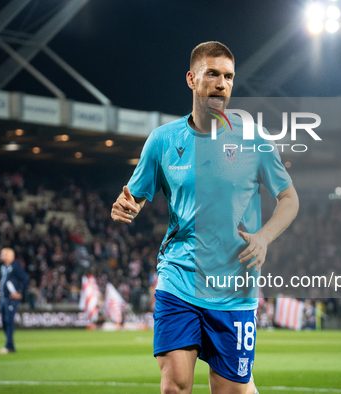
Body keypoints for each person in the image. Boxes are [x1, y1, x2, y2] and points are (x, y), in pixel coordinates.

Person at [111, 41, 299, 394]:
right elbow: (131, 198)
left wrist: (264, 237)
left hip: (234, 288)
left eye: (228, 76)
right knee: (175, 386)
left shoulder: (254, 140)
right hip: (179, 278)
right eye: (212, 74)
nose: (221, 83)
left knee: (230, 390)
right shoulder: (163, 140)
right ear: (191, 79)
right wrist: (124, 207)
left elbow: (289, 198)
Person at [0, 247, 29, 355]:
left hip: (11, 299)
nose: (2, 256)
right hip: (3, 298)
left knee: (9, 321)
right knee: (5, 322)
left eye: (4, 254)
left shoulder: (15, 266)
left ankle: (8, 346)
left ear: (11, 256)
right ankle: (10, 345)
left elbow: (26, 278)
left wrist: (19, 292)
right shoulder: (3, 267)